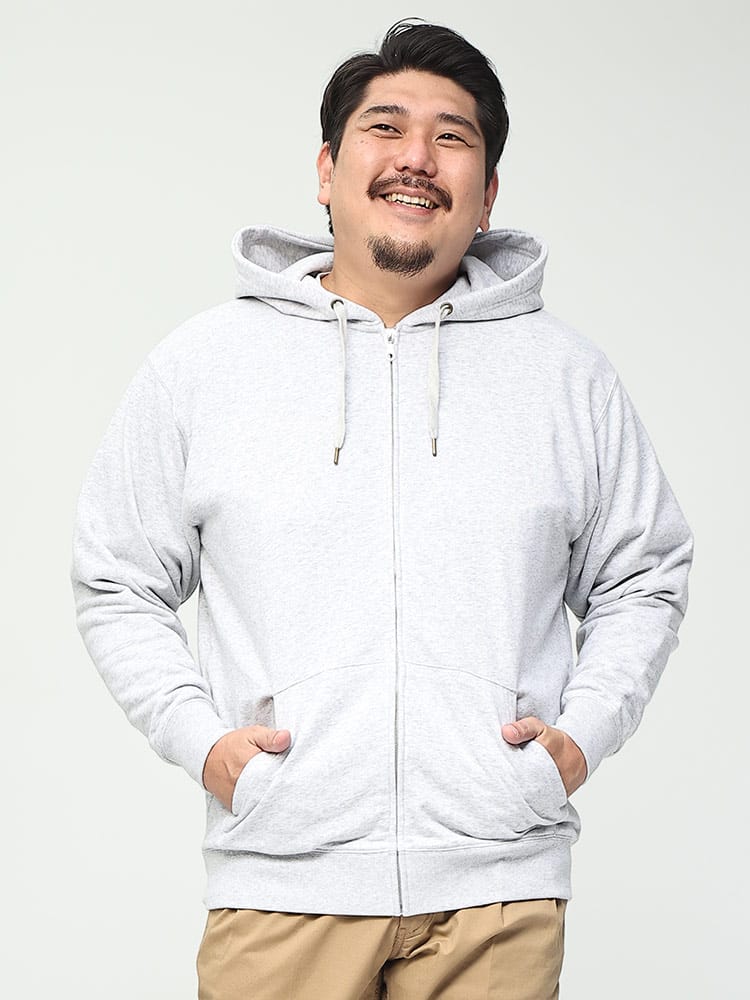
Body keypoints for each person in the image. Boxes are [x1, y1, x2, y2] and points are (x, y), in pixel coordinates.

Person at [69, 18, 694, 1000]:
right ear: (326, 170)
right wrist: (207, 746)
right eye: (386, 127)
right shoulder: (204, 367)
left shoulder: (567, 377)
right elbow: (117, 580)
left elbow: (644, 574)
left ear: (488, 194)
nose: (417, 158)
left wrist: (577, 739)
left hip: (498, 892)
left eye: (452, 137)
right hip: (282, 884)